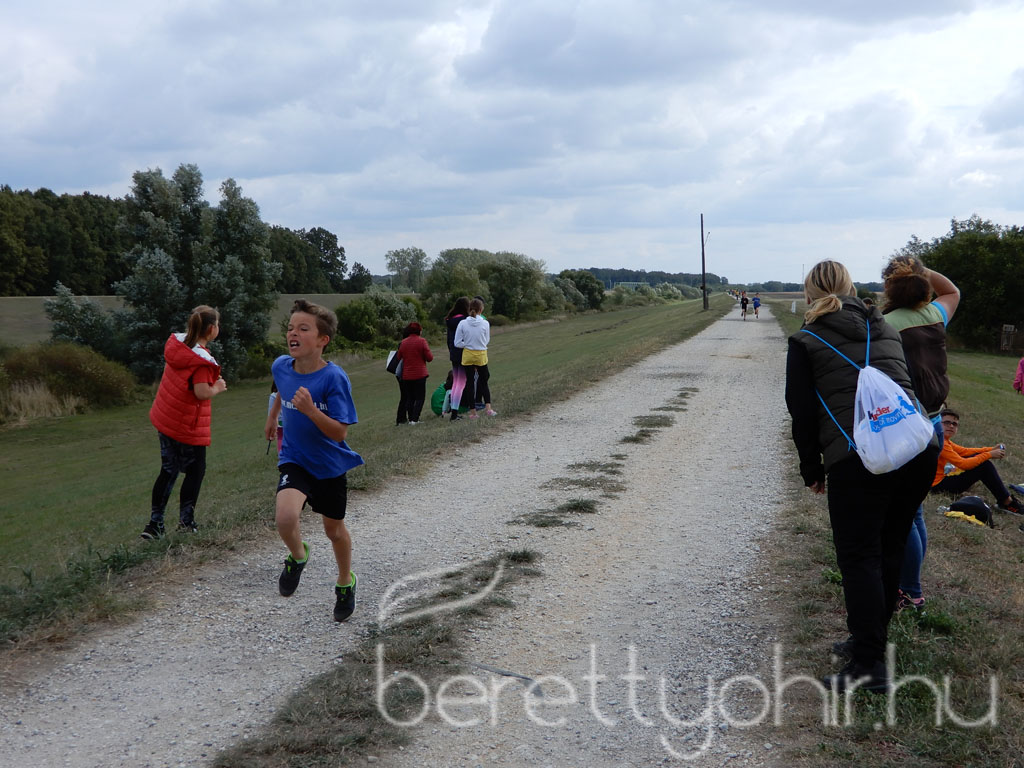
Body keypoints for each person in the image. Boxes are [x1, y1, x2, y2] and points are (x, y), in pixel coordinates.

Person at [786, 260, 938, 692]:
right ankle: (868, 642)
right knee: (889, 549)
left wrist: (812, 468)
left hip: (860, 457)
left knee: (859, 558)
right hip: (917, 448)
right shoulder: (883, 326)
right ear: (852, 288)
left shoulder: (806, 338)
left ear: (810, 293)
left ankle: (870, 667)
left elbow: (801, 411)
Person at [265, 299, 364, 622]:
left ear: (323, 340)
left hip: (329, 465)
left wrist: (310, 411)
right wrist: (273, 417)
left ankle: (345, 581)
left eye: (303, 329)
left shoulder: (334, 378)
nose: (293, 333)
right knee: (285, 517)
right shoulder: (281, 366)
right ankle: (297, 555)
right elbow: (282, 389)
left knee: (333, 531)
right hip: (294, 458)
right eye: (290, 328)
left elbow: (339, 432)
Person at [881, 256, 960, 612]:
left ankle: (910, 590)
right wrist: (920, 270)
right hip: (935, 421)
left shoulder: (886, 324)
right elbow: (952, 291)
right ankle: (910, 586)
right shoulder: (935, 315)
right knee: (915, 511)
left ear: (889, 287)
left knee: (903, 512)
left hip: (907, 425)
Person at [143, 305, 227, 539]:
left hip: (167, 419)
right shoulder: (200, 361)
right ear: (211, 329)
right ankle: (186, 522)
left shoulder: (178, 347)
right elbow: (201, 392)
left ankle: (154, 524)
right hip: (187, 426)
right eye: (217, 324)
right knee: (196, 471)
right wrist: (217, 387)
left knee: (168, 470)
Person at [931, 409, 1022, 514]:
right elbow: (964, 464)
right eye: (947, 422)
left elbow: (965, 451)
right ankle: (1007, 503)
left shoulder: (943, 439)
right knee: (984, 466)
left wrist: (990, 449)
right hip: (936, 486)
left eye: (954, 424)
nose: (951, 426)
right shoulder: (942, 443)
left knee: (977, 459)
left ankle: (1006, 501)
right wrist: (989, 454)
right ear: (938, 423)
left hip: (935, 482)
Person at [455, 298, 496, 419]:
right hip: (481, 354)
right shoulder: (485, 323)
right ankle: (488, 408)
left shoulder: (462, 323)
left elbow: (457, 343)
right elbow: (486, 340)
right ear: (481, 310)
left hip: (468, 355)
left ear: (469, 309)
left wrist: (467, 344)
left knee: (469, 383)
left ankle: (473, 412)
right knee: (484, 381)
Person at [394, 322, 433, 425]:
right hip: (420, 374)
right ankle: (415, 419)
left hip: (407, 375)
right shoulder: (422, 341)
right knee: (420, 398)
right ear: (419, 331)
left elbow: (399, 357)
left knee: (410, 398)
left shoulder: (403, 342)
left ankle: (411, 418)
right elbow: (429, 358)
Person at [445, 297, 471, 422]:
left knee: (456, 383)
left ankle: (453, 411)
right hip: (463, 354)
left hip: (454, 354)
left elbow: (448, 340)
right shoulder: (464, 321)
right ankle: (454, 413)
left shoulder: (450, 320)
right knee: (461, 383)